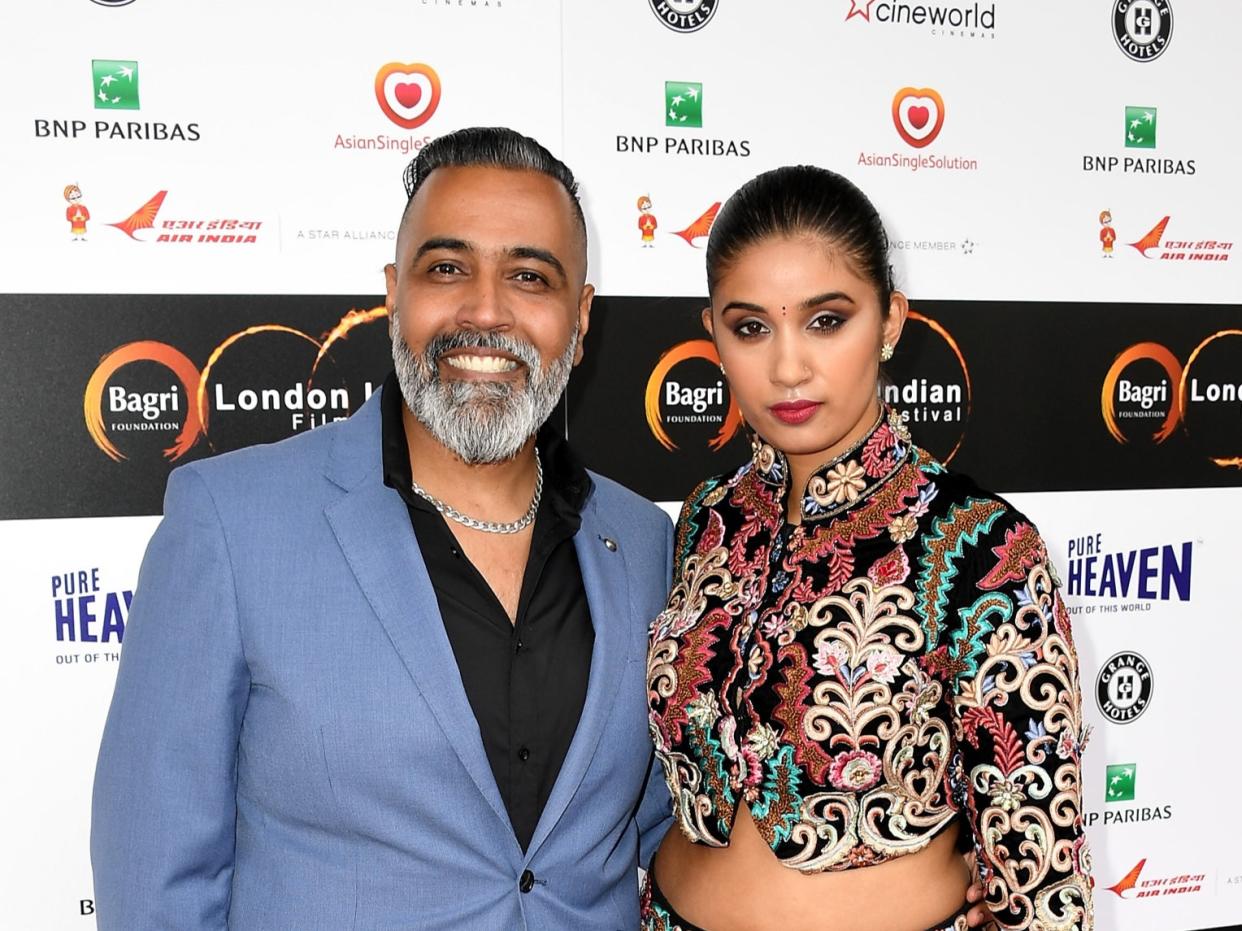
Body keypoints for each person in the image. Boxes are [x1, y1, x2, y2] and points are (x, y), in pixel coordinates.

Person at [90, 127, 676, 930]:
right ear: (393, 292)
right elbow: (154, 882)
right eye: (447, 268)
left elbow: (662, 828)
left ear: (580, 320)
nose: (484, 311)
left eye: (529, 275)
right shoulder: (230, 524)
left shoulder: (644, 542)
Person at [643, 166, 1094, 931]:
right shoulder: (707, 518)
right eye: (750, 326)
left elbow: (1041, 877)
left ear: (890, 321)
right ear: (712, 332)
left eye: (826, 320)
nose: (788, 367)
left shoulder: (980, 543)